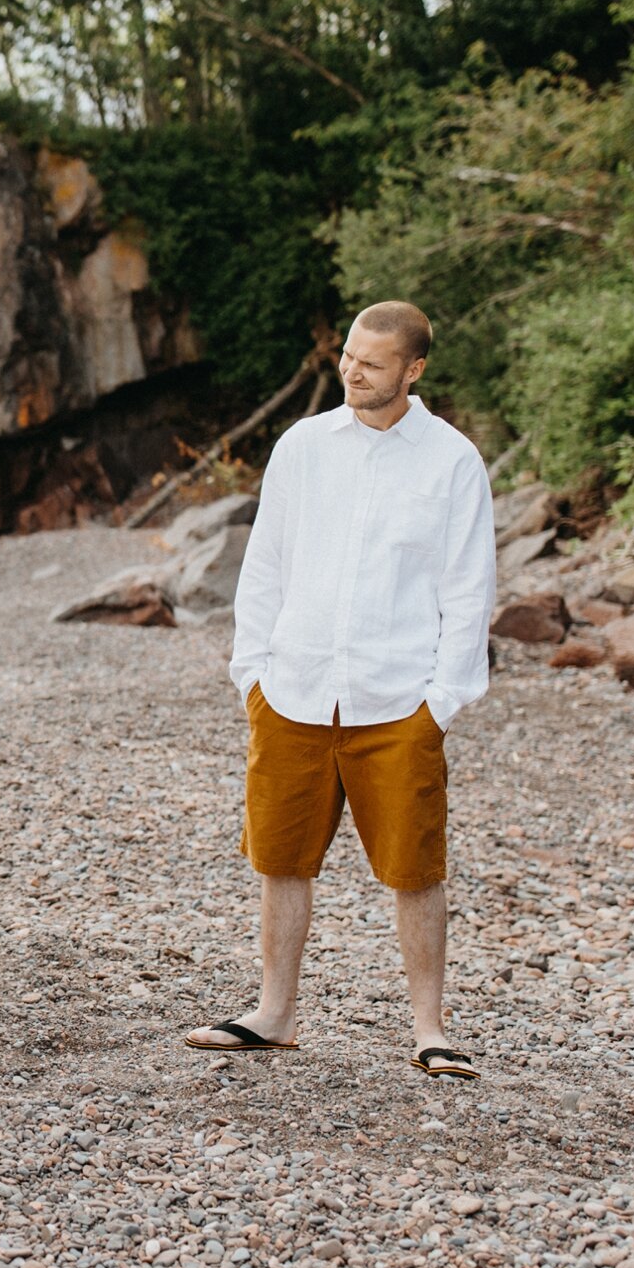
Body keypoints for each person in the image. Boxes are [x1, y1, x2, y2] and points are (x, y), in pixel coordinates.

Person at [186, 301, 494, 1080]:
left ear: (414, 370)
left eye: (373, 362)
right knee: (282, 858)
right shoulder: (303, 446)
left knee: (415, 869)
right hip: (292, 689)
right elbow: (265, 565)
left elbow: (468, 591)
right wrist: (251, 674)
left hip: (399, 702)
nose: (353, 372)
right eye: (349, 357)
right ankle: (275, 1013)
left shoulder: (453, 462)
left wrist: (441, 704)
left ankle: (430, 1028)